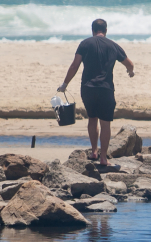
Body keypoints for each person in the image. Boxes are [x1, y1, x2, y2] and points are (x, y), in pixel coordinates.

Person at [57, 19, 135, 166]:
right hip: (106, 89)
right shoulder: (113, 45)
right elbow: (129, 63)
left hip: (88, 88)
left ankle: (94, 151)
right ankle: (104, 158)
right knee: (105, 123)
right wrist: (130, 72)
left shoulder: (85, 43)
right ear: (106, 30)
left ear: (92, 30)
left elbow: (74, 66)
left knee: (92, 118)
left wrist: (65, 84)